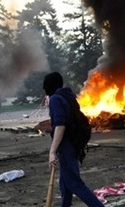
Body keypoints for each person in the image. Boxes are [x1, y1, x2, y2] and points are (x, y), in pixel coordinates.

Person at [44, 72, 104, 207]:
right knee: (65, 184)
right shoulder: (68, 96)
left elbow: (60, 125)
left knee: (74, 183)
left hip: (67, 146)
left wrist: (52, 152)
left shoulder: (55, 99)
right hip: (74, 143)